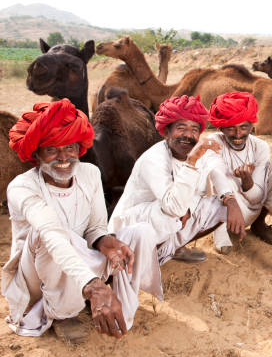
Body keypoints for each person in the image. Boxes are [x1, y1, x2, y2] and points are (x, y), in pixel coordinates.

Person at [3, 99, 159, 343]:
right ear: (36, 153)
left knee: (140, 232)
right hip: (38, 275)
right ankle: (62, 313)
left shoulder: (89, 173)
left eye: (70, 148)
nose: (64, 158)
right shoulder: (22, 187)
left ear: (79, 148)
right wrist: (93, 284)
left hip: (79, 264)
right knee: (47, 236)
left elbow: (96, 227)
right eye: (52, 149)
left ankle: (105, 296)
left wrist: (104, 240)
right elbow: (52, 235)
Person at [109, 95, 241, 265]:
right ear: (167, 131)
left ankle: (170, 250)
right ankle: (137, 258)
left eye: (194, 129)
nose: (188, 135)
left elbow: (216, 168)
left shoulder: (198, 151)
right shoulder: (154, 158)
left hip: (165, 220)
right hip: (130, 230)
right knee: (173, 213)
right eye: (181, 128)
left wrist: (230, 200)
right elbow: (173, 207)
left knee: (219, 207)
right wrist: (192, 162)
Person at [207, 92, 272, 254]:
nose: (238, 135)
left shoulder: (260, 146)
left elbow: (257, 197)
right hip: (225, 209)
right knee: (216, 174)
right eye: (231, 128)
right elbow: (215, 175)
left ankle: (259, 224)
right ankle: (221, 231)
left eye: (243, 127)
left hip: (253, 206)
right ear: (221, 128)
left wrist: (246, 180)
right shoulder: (214, 141)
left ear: (252, 126)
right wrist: (230, 200)